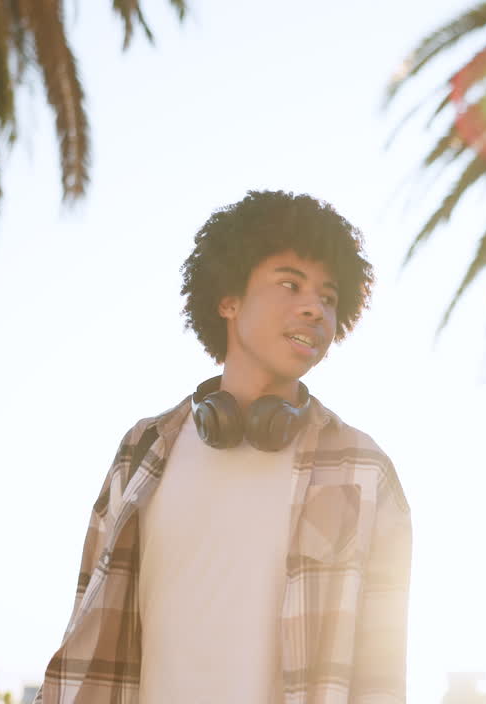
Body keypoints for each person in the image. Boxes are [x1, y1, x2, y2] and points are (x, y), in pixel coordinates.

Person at [34, 190, 412, 704]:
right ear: (228, 300)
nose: (314, 308)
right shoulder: (143, 451)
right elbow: (90, 625)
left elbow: (380, 675)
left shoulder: (365, 471)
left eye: (328, 297)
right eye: (289, 284)